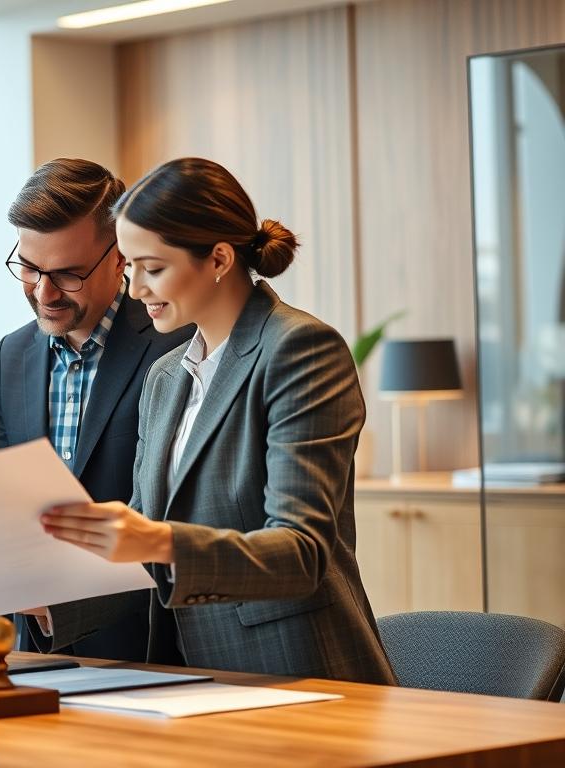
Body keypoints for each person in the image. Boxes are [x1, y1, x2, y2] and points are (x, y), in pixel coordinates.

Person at [41, 158, 394, 683]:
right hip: (192, 679)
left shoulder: (299, 349)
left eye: (153, 268)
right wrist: (37, 597)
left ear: (219, 259)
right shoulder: (166, 376)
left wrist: (158, 540)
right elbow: (142, 539)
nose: (135, 289)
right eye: (130, 267)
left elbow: (301, 552)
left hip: (299, 674)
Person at [0, 158, 191, 661]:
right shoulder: (13, 354)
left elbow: (184, 524)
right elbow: (6, 506)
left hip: (153, 647)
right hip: (38, 650)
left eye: (67, 274)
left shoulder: (179, 349)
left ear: (120, 258)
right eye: (30, 268)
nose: (44, 292)